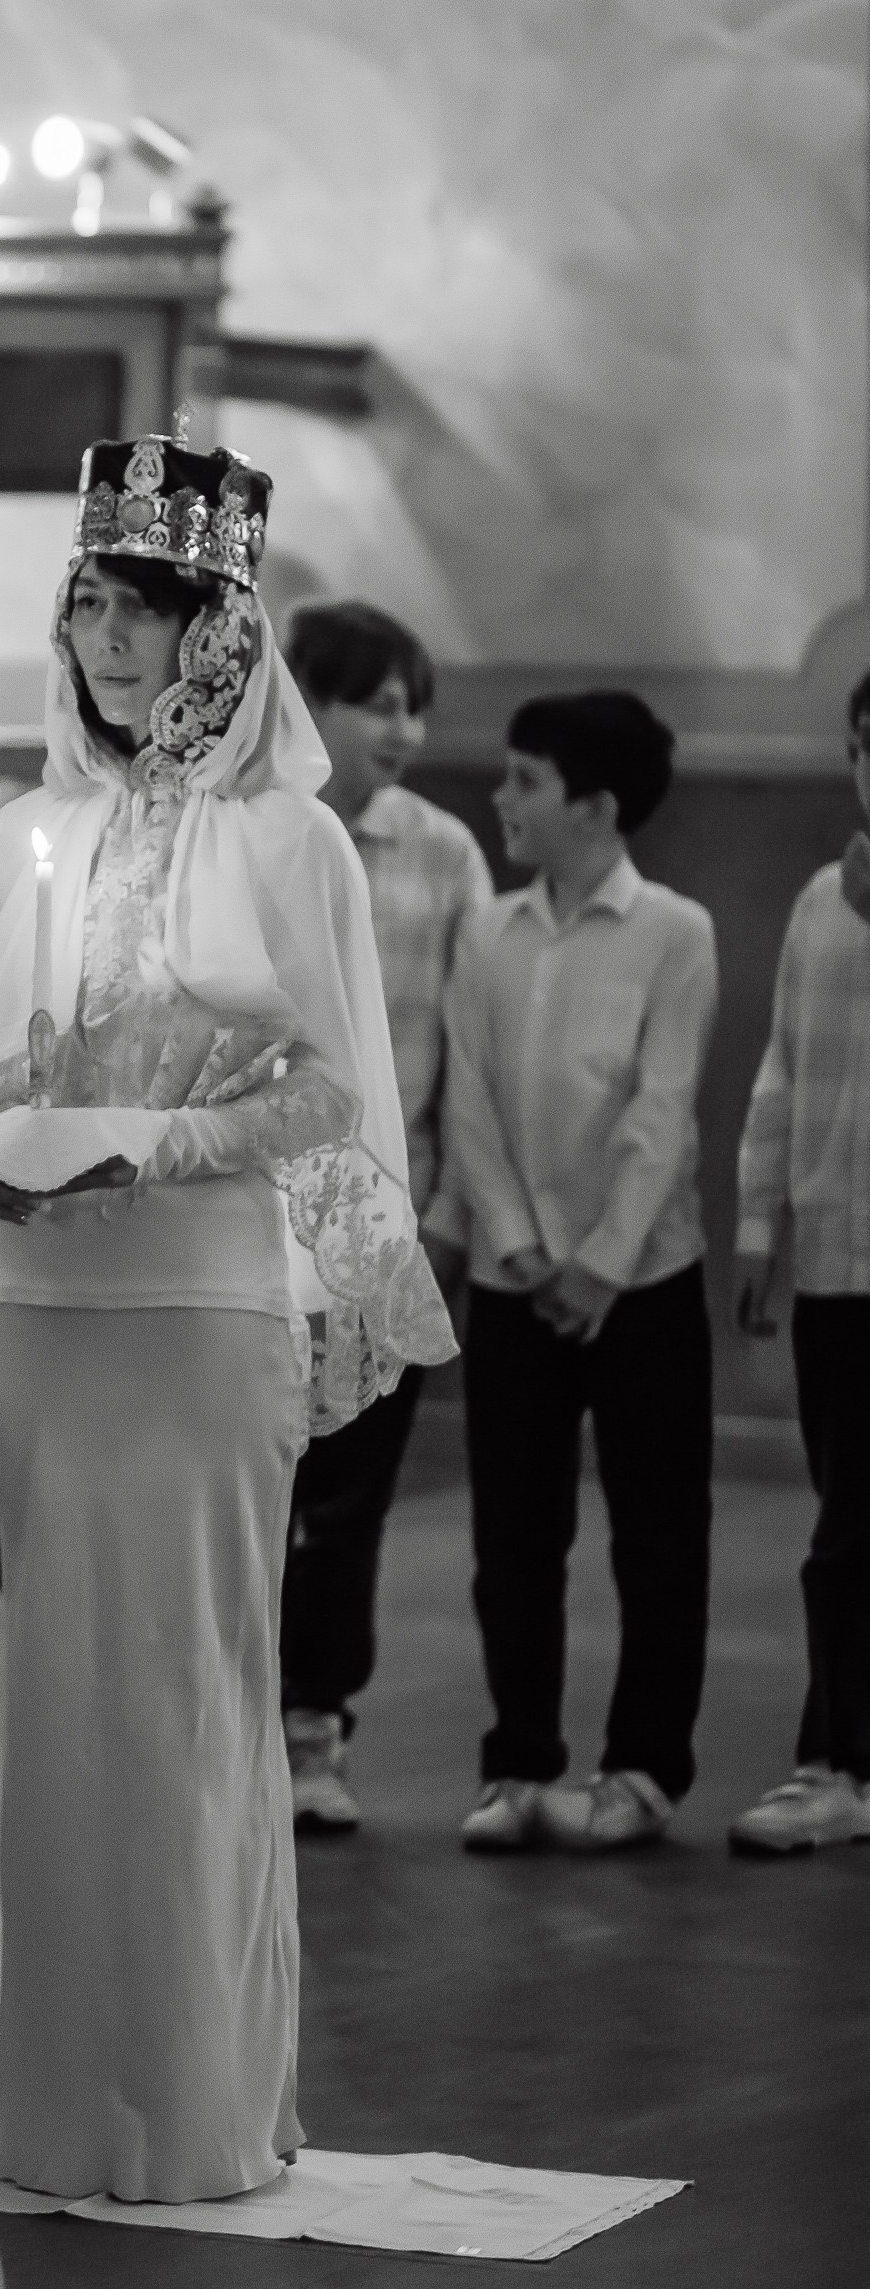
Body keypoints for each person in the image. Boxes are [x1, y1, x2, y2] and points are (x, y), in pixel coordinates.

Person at [0, 434, 454, 2205]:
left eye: (136, 606)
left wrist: (155, 1134)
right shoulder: (26, 833)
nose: (100, 637)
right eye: (83, 603)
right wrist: (14, 1138)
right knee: (63, 1698)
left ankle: (196, 2110)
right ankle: (68, 2116)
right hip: (46, 1303)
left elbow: (332, 1098)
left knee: (192, 1691)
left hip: (199, 1299)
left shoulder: (289, 843)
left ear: (214, 630)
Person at [442, 691, 718, 1856]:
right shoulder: (487, 929)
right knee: (512, 1537)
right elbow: (467, 1096)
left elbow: (661, 1111)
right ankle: (518, 1762)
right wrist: (511, 1242)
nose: (501, 799)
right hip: (514, 1282)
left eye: (523, 780)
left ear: (595, 806)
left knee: (656, 1532)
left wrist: (600, 1264)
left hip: (643, 1280)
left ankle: (643, 1768)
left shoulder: (673, 929)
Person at [278, 599, 493, 1833]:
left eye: (416, 704)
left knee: (349, 1497)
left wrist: (450, 1211)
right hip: (258, 1218)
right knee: (256, 1484)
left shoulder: (444, 852)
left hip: (383, 1220)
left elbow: (469, 1050)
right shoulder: (265, 833)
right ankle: (237, 1715)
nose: (403, 728)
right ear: (308, 698)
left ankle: (319, 1729)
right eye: (378, 701)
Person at [728, 667, 870, 1855]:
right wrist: (760, 1228)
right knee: (844, 1517)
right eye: (861, 743)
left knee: (851, 1531)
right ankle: (840, 1757)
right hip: (835, 1256)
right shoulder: (823, 900)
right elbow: (778, 1069)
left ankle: (837, 1758)